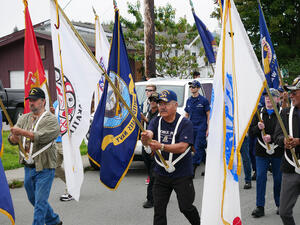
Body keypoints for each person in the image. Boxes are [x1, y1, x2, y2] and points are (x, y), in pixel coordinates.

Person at [141, 90, 200, 225]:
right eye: (160, 103)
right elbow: (149, 134)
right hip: (161, 174)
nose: (162, 107)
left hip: (182, 174)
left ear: (175, 105)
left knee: (186, 207)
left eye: (166, 104)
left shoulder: (185, 123)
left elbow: (182, 147)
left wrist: (161, 146)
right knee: (159, 210)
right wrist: (145, 138)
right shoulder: (156, 121)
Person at [8, 87, 62, 225]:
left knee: (40, 203)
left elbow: (40, 137)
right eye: (30, 100)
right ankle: (54, 220)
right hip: (28, 167)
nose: (31, 103)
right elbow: (12, 139)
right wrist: (13, 138)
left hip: (45, 167)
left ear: (43, 101)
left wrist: (21, 131)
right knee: (34, 199)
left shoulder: (51, 120)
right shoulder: (24, 117)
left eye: (34, 100)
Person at [249, 88, 284, 218]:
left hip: (278, 151)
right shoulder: (258, 113)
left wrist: (272, 138)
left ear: (277, 99)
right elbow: (251, 132)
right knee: (261, 178)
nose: (268, 99)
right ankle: (260, 206)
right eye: (266, 97)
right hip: (261, 151)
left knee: (278, 179)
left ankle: (280, 204)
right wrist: (257, 128)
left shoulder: (282, 113)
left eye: (271, 96)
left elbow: (285, 132)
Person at [275, 76, 300, 225]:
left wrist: (298, 142)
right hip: (290, 168)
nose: (290, 95)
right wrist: (284, 141)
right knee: (284, 211)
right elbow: (277, 136)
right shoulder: (285, 113)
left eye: (294, 92)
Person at [185, 80, 210, 176]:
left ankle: (193, 169)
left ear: (198, 88)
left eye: (194, 87)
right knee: (199, 148)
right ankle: (208, 167)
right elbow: (186, 115)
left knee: (198, 147)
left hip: (201, 128)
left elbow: (208, 115)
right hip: (192, 128)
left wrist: (208, 128)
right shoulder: (189, 100)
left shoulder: (203, 100)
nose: (192, 88)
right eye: (190, 87)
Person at [50, 100, 73, 202]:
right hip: (57, 140)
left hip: (67, 140)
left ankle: (71, 191)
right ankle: (72, 184)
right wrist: (53, 112)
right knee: (55, 166)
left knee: (69, 166)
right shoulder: (56, 103)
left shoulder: (70, 100)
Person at [140, 92, 159, 209]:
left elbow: (153, 126)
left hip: (154, 147)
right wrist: (143, 119)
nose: (152, 102)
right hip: (145, 147)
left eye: (155, 100)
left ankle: (150, 200)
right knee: (150, 172)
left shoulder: (160, 115)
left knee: (153, 175)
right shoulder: (149, 112)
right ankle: (158, 194)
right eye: (151, 100)